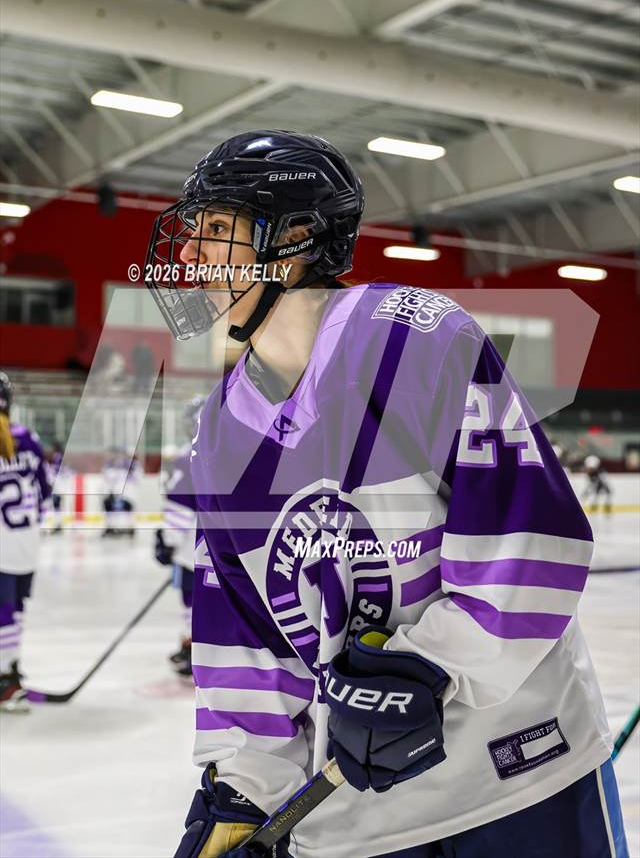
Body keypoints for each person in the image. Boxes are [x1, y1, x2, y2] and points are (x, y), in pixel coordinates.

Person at [145, 132, 628, 858]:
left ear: (297, 235)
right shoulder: (218, 432)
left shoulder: (424, 341)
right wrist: (242, 789)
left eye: (215, 230)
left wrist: (429, 669)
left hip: (522, 778)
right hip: (356, 826)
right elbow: (246, 646)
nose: (188, 256)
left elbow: (531, 551)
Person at [0, 372, 52, 711]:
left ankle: (6, 680)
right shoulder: (28, 439)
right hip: (25, 547)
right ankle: (11, 669)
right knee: (13, 612)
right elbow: (46, 495)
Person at [155, 396, 205, 676]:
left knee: (191, 599)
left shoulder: (188, 455)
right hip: (222, 546)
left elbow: (180, 508)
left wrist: (166, 542)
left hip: (192, 548)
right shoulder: (228, 450)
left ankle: (195, 649)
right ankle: (194, 644)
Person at [101, 448, 141, 537]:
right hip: (117, 493)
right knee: (112, 509)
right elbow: (109, 479)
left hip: (129, 494)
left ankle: (129, 528)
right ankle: (112, 527)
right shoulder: (117, 468)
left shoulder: (134, 468)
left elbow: (136, 479)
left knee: (127, 510)